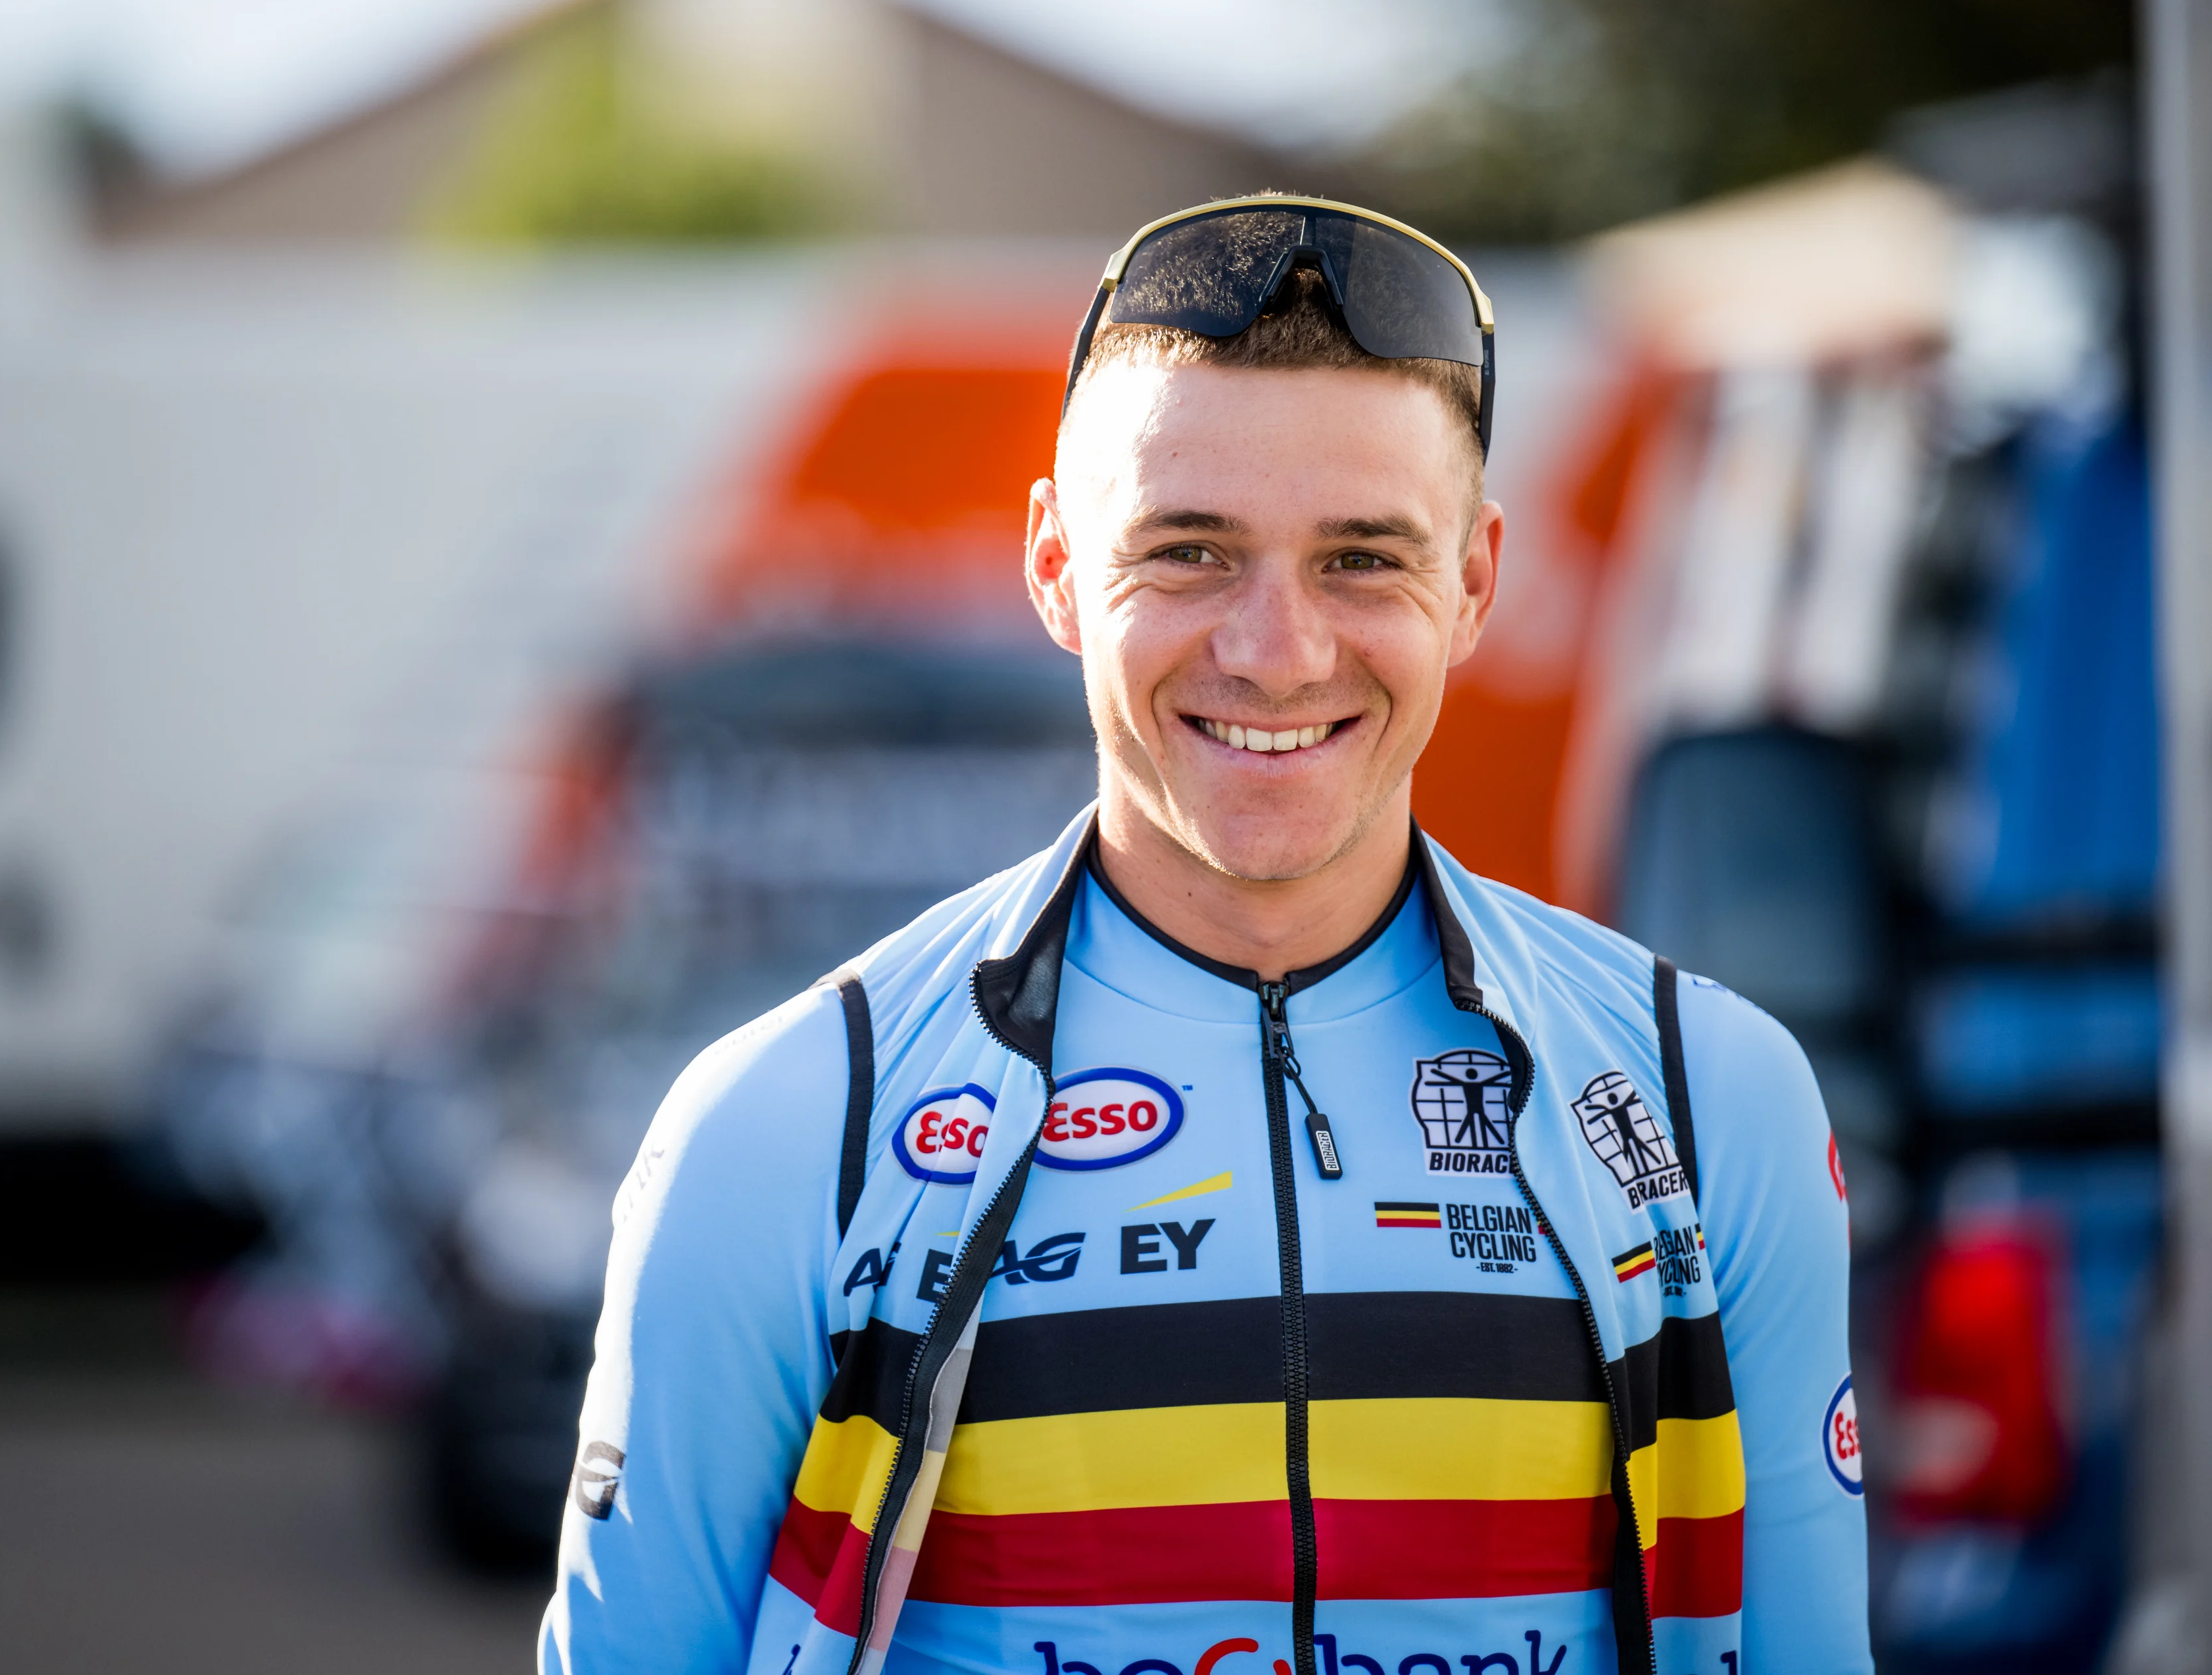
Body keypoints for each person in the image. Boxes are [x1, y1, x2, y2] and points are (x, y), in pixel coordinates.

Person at [539, 197, 1869, 1675]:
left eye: (1364, 558)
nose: (1277, 650)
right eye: (1189, 552)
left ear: (1477, 580)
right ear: (1054, 564)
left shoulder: (1707, 1098)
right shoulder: (792, 1122)